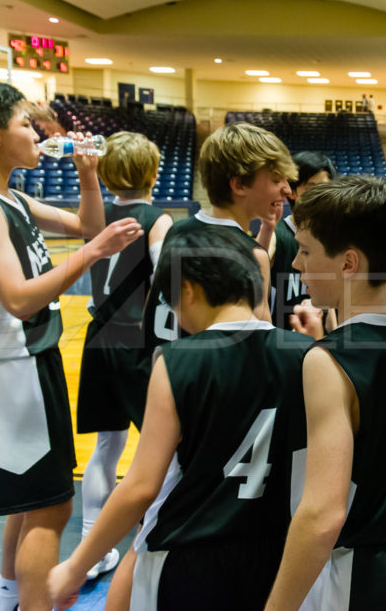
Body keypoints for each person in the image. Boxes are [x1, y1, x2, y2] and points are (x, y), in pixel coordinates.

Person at [0, 81, 143, 611]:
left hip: (31, 361)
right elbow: (18, 299)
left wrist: (89, 178)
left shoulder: (10, 197)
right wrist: (95, 251)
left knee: (30, 502)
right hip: (9, 370)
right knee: (51, 508)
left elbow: (86, 226)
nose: (37, 133)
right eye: (25, 124)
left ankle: (9, 599)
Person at [48, 227, 311, 610]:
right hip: (275, 552)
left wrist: (76, 566)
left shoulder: (177, 360)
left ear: (187, 289)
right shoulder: (308, 354)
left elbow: (141, 487)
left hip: (189, 552)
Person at [266, 176, 386, 610]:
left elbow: (323, 515)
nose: (299, 265)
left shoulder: (327, 361)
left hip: (359, 571)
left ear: (347, 263)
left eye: (306, 251)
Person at [74, 131, 173, 581]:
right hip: (138, 341)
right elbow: (168, 287)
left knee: (106, 446)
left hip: (99, 337)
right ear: (153, 172)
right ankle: (159, 534)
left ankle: (92, 548)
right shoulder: (158, 219)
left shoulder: (93, 216)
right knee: (167, 446)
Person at [142, 121, 297, 352]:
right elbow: (262, 348)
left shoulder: (178, 231)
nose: (287, 190)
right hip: (206, 382)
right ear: (239, 184)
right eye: (276, 180)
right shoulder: (252, 256)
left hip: (161, 369)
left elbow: (151, 312)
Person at [270, 150, 336, 329]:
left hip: (321, 344)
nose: (319, 196)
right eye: (311, 188)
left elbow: (331, 308)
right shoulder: (277, 235)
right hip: (285, 345)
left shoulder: (331, 237)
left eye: (324, 188)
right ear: (292, 192)